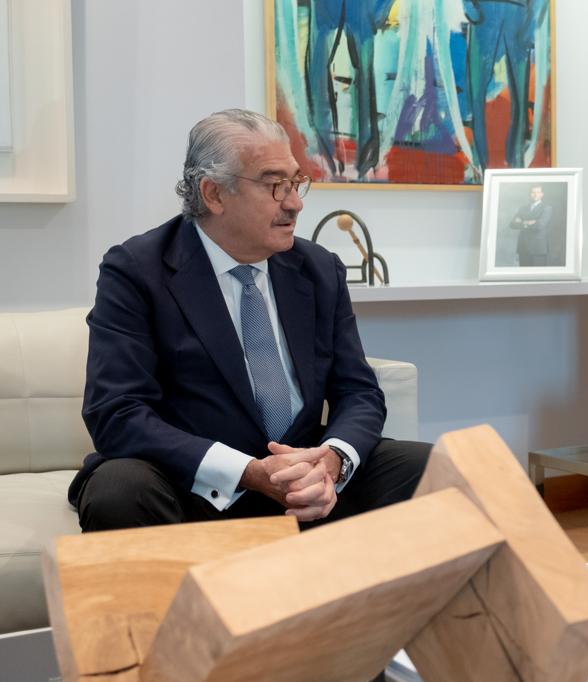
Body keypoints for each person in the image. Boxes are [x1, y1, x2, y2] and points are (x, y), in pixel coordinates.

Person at [70, 109, 432, 532]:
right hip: (194, 485)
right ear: (214, 194)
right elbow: (116, 412)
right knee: (119, 491)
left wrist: (332, 461)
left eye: (296, 182)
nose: (294, 202)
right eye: (275, 184)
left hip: (307, 478)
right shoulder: (137, 270)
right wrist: (246, 471)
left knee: (435, 470)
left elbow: (359, 391)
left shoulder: (317, 269)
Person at [509, 184, 552, 266]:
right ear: (530, 194)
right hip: (523, 247)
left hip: (538, 249)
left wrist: (522, 222)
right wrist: (527, 222)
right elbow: (512, 224)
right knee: (523, 276)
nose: (535, 195)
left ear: (542, 194)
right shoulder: (523, 208)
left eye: (538, 192)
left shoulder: (546, 208)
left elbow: (540, 225)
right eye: (533, 192)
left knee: (538, 276)